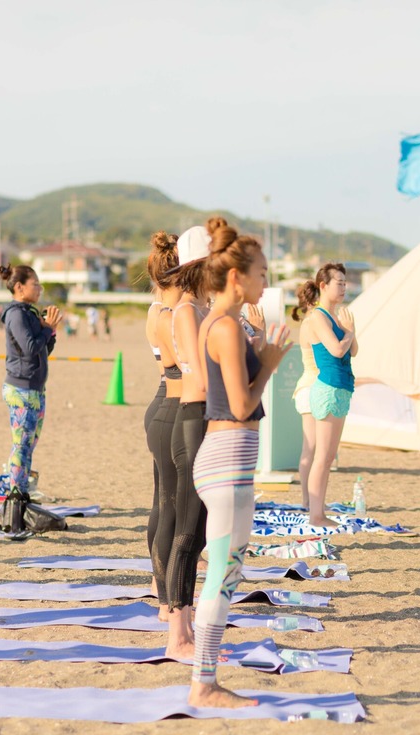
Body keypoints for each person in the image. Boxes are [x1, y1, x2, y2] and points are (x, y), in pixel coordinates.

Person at [190, 221, 291, 708]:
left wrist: (257, 353)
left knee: (225, 572)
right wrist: (268, 363)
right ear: (237, 279)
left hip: (226, 459)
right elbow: (241, 404)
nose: (265, 283)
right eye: (262, 274)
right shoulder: (225, 326)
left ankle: (205, 680)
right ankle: (204, 684)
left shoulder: (219, 321)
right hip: (228, 459)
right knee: (223, 574)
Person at [166, 219, 219, 658]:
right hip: (192, 419)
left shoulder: (205, 308)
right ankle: (177, 633)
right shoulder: (186, 311)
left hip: (206, 417)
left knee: (199, 532)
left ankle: (188, 627)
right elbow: (199, 375)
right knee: (186, 531)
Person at [142, 231, 188, 647]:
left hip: (162, 401)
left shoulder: (156, 308)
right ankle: (165, 595)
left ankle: (162, 590)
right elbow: (178, 362)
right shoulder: (170, 313)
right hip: (171, 405)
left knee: (163, 502)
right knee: (170, 505)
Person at [0, 265, 62, 503]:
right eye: (35, 284)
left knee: (28, 444)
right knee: (22, 445)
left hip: (35, 388)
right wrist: (47, 330)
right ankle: (15, 493)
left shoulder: (29, 312)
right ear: (19, 287)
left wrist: (50, 332)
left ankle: (21, 488)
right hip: (21, 388)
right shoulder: (16, 314)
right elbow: (29, 348)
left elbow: (43, 350)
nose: (39, 288)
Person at [304, 263, 357, 527]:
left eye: (345, 282)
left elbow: (353, 350)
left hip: (343, 388)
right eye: (339, 282)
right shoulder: (318, 316)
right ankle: (316, 514)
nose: (344, 287)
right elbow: (337, 349)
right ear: (323, 285)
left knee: (328, 458)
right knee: (322, 457)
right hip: (328, 388)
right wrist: (348, 332)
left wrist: (350, 330)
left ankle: (320, 511)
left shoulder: (338, 316)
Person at [291, 279, 321, 513]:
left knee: (311, 447)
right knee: (311, 448)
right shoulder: (314, 322)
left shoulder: (309, 321)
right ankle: (307, 499)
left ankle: (309, 499)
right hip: (311, 387)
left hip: (308, 387)